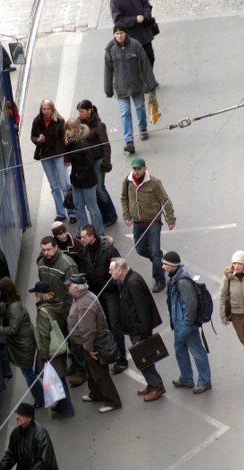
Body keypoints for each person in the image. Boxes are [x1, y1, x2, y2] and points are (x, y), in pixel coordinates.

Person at [109, 258, 165, 401]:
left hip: (139, 330)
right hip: (135, 328)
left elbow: (142, 309)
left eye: (111, 270)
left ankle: (156, 386)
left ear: (120, 271)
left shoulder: (133, 283)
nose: (110, 273)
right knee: (143, 358)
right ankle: (151, 384)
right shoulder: (128, 280)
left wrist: (143, 332)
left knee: (144, 358)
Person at [67, 273, 123, 413]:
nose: (67, 287)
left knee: (100, 374)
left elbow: (88, 330)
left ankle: (113, 401)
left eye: (69, 285)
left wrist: (88, 348)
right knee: (91, 371)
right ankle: (95, 394)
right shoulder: (82, 297)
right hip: (90, 344)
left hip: (93, 345)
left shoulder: (85, 304)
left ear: (76, 289)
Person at [121, 157, 176, 293]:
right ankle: (159, 259)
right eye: (134, 168)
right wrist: (127, 216)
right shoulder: (127, 181)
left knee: (154, 251)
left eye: (139, 168)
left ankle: (159, 279)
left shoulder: (154, 182)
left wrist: (171, 219)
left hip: (153, 222)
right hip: (138, 223)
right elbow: (124, 198)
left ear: (145, 168)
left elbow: (165, 200)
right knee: (140, 249)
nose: (137, 171)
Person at [37, 235, 86, 387]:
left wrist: (71, 314)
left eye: (48, 249)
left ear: (56, 247)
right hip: (53, 309)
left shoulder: (68, 265)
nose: (45, 253)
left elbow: (74, 291)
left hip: (67, 310)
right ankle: (75, 366)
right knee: (64, 339)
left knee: (74, 341)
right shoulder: (41, 263)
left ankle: (81, 371)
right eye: (43, 250)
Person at [80, 224, 128, 374]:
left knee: (115, 325)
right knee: (105, 325)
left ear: (92, 237)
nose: (81, 239)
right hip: (96, 294)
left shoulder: (108, 250)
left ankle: (122, 358)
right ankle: (112, 353)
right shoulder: (85, 251)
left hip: (109, 293)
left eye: (83, 237)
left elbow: (120, 268)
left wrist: (112, 286)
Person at [162, 251, 212, 394]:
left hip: (185, 324)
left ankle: (204, 381)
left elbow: (191, 304)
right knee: (180, 350)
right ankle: (186, 378)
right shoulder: (174, 278)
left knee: (197, 352)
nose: (163, 267)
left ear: (173, 266)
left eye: (165, 264)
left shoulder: (182, 281)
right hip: (179, 323)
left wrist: (186, 323)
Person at [104, 23, 158, 154]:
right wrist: (108, 89)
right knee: (125, 113)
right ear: (114, 35)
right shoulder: (110, 49)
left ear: (126, 33)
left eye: (121, 33)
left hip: (136, 85)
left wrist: (151, 85)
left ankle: (142, 128)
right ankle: (129, 141)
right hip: (120, 88)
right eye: (117, 34)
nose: (119, 36)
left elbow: (145, 65)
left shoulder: (135, 45)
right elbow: (108, 71)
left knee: (140, 107)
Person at [0, 278, 45, 407]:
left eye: (0, 290)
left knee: (28, 373)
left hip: (23, 345)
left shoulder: (14, 307)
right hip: (23, 342)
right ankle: (41, 395)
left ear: (5, 291)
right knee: (27, 372)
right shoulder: (14, 302)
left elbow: (12, 329)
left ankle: (40, 398)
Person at [29, 280, 75, 418]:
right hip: (60, 345)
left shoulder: (43, 311)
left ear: (40, 295)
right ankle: (62, 406)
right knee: (59, 377)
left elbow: (44, 335)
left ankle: (67, 409)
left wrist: (43, 355)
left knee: (58, 379)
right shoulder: (57, 304)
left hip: (51, 350)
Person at [31, 100, 76, 223]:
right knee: (54, 187)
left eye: (48, 109)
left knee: (64, 185)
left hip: (58, 154)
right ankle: (61, 213)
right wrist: (38, 140)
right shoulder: (37, 120)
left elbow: (65, 139)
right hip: (45, 156)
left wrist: (67, 158)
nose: (45, 111)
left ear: (52, 109)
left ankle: (72, 212)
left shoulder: (59, 121)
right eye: (43, 109)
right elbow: (33, 136)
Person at [77, 100, 118, 227]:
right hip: (88, 162)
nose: (80, 114)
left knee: (100, 189)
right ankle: (103, 216)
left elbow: (106, 146)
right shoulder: (80, 124)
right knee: (94, 190)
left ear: (90, 111)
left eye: (82, 111)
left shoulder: (99, 125)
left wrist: (106, 163)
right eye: (79, 112)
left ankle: (111, 215)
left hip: (98, 160)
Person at [64, 118, 104, 238]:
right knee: (78, 207)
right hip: (77, 181)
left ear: (75, 130)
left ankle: (99, 233)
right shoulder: (70, 143)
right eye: (66, 129)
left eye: (69, 129)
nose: (67, 132)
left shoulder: (84, 144)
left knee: (92, 208)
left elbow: (89, 164)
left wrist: (80, 177)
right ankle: (82, 233)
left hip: (87, 182)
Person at [219, 250, 244, 366]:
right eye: (234, 263)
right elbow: (223, 296)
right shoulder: (228, 277)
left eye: (239, 263)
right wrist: (223, 316)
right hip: (237, 317)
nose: (236, 266)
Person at [109, 0, 156, 67]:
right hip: (131, 40)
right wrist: (135, 19)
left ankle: (149, 76)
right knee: (135, 66)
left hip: (144, 36)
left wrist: (146, 16)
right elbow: (118, 20)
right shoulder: (114, 1)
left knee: (150, 59)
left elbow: (146, 5)